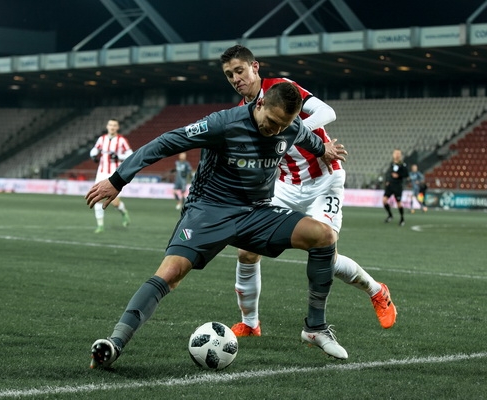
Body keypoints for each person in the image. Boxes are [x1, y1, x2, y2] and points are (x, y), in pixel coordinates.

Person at [86, 82, 349, 368]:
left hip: (256, 214)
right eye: (271, 122)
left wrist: (325, 149)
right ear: (260, 105)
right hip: (209, 211)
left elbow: (308, 139)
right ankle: (114, 343)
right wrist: (117, 180)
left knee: (323, 236)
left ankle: (315, 328)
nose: (275, 130)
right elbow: (164, 143)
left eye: (283, 125)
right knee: (171, 273)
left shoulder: (290, 127)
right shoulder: (222, 123)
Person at [220, 45, 397, 344]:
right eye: (229, 75)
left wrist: (293, 131)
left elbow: (328, 112)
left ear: (255, 67)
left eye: (240, 70)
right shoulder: (241, 112)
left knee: (326, 254)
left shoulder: (281, 89)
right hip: (285, 186)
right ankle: (249, 323)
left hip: (324, 180)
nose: (236, 78)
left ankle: (377, 292)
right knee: (246, 250)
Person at [89, 119, 133, 233]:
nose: (112, 127)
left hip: (115, 173)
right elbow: (95, 149)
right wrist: (93, 155)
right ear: (107, 126)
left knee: (115, 202)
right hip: (101, 173)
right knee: (97, 198)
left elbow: (130, 154)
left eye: (114, 125)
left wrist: (119, 156)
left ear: (117, 127)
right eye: (110, 125)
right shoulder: (101, 139)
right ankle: (100, 225)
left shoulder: (121, 140)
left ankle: (123, 212)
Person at [383, 148, 409, 226]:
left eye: (398, 153)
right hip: (390, 185)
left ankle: (402, 218)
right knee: (384, 201)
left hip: (397, 186)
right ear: (393, 154)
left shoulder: (403, 165)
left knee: (399, 203)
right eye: (395, 153)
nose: (397, 155)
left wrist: (399, 175)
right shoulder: (391, 164)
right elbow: (389, 173)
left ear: (400, 155)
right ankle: (390, 215)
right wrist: (387, 181)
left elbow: (406, 175)